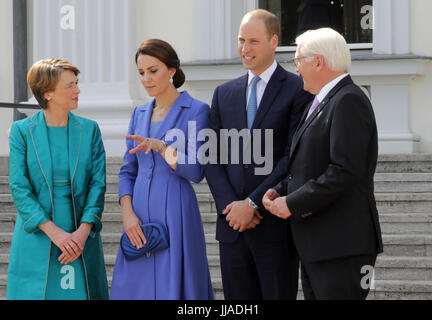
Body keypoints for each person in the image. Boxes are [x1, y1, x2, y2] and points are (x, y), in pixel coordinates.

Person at [263, 28, 383, 300]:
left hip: (342, 246)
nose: (296, 69)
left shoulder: (348, 100)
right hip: (319, 245)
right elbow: (309, 165)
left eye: (298, 61)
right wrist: (281, 190)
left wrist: (292, 203)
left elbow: (345, 171)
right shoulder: (322, 101)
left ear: (318, 61)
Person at [204, 9, 313, 300]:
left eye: (253, 41)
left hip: (274, 228)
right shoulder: (223, 94)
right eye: (241, 40)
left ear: (274, 41)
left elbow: (293, 156)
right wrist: (232, 208)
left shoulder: (299, 89)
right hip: (232, 228)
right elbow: (212, 157)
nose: (244, 49)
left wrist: (253, 204)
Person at [110, 39, 214, 300]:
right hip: (138, 215)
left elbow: (196, 171)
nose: (146, 79)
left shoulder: (197, 110)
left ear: (171, 70)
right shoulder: (138, 114)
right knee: (134, 287)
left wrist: (162, 147)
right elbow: (127, 171)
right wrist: (127, 212)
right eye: (141, 72)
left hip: (176, 212)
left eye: (153, 70)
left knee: (177, 288)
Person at [7, 58, 109, 300]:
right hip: (38, 235)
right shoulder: (22, 132)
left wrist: (82, 233)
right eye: (70, 86)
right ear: (48, 93)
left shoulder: (90, 129)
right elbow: (19, 187)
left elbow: (98, 184)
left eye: (76, 83)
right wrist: (56, 234)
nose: (78, 90)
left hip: (80, 234)